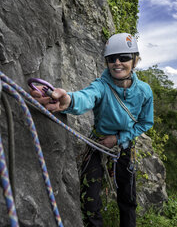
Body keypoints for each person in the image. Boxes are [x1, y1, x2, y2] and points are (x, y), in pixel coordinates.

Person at [30, 33, 154, 227]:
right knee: (90, 199)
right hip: (97, 143)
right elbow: (86, 97)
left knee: (128, 198)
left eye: (124, 57)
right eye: (111, 59)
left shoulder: (144, 91)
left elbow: (145, 122)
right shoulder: (101, 86)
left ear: (135, 60)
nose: (117, 63)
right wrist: (68, 100)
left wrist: (119, 138)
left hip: (123, 145)